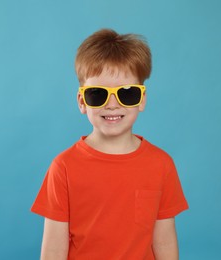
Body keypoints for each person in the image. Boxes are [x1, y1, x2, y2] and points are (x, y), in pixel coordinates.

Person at [31, 28, 189, 260]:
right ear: (82, 101)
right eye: (98, 94)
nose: (112, 105)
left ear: (142, 99)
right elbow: (54, 248)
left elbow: (164, 240)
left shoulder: (161, 164)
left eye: (127, 94)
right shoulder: (63, 168)